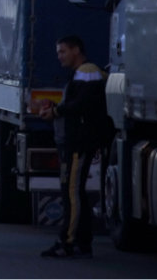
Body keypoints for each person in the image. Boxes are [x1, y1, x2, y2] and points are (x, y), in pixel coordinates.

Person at [37, 35, 108, 259]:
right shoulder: (81, 73)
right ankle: (82, 241)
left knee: (72, 192)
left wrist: (56, 111)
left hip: (78, 143)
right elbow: (75, 104)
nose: (59, 57)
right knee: (75, 191)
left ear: (76, 50)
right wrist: (55, 108)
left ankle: (66, 241)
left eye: (63, 51)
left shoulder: (88, 72)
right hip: (74, 141)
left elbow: (82, 104)